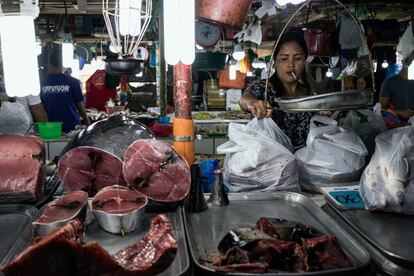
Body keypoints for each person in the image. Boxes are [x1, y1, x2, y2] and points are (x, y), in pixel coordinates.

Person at [239, 31, 312, 151]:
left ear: (304, 61)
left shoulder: (307, 93)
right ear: (275, 62)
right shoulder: (264, 88)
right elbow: (245, 99)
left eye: (297, 58)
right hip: (271, 165)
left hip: (305, 165)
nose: (291, 65)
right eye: (284, 59)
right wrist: (252, 103)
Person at [40, 48, 90, 133]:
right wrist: (87, 120)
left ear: (49, 63)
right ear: (64, 63)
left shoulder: (41, 83)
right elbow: (80, 104)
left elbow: (38, 106)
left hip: (50, 128)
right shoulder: (73, 82)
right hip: (71, 127)